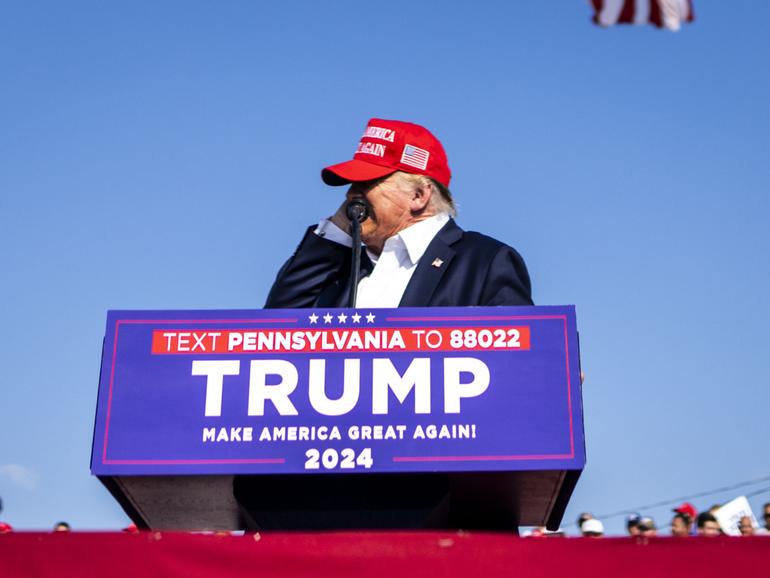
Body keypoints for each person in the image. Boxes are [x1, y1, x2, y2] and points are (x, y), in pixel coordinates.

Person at [265, 118, 533, 310]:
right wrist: (335, 234)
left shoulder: (485, 261)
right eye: (351, 186)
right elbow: (271, 333)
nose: (350, 195)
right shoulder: (339, 267)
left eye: (366, 184)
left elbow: (519, 359)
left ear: (418, 195)